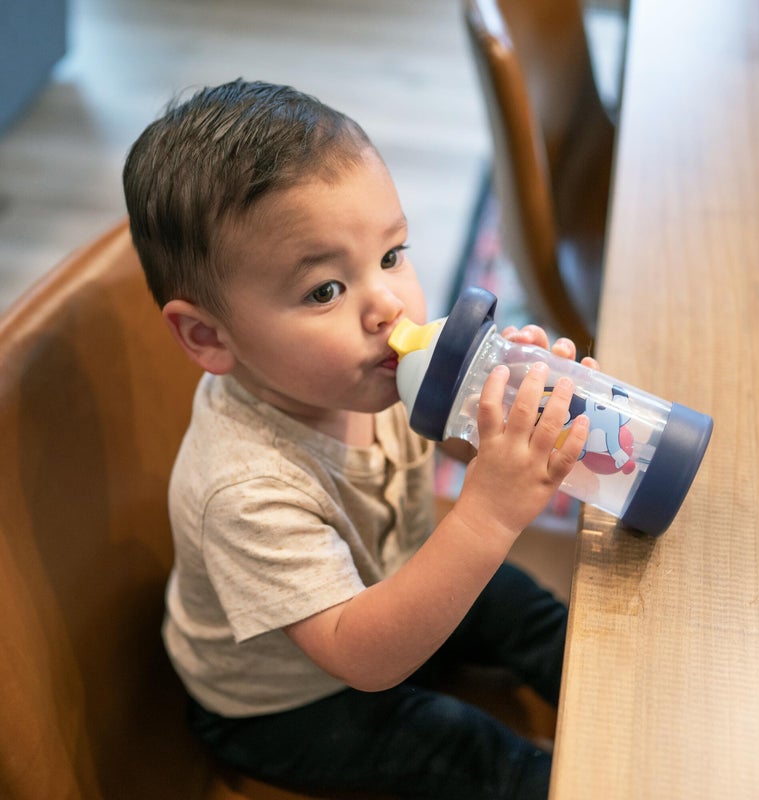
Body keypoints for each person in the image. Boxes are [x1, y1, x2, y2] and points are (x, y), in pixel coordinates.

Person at [123, 79, 596, 799]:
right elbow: (365, 659)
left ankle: (636, 710)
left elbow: (459, 447)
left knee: (529, 611)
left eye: (391, 255)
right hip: (294, 701)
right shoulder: (244, 486)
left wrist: (502, 413)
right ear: (208, 336)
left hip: (396, 576)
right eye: (323, 291)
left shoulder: (365, 372)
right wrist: (493, 510)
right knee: (465, 749)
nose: (386, 305)